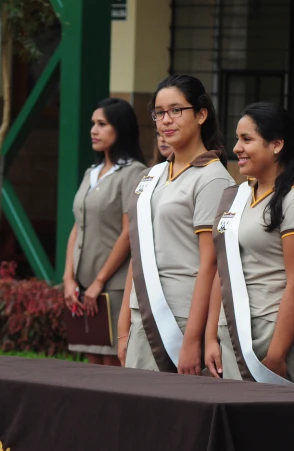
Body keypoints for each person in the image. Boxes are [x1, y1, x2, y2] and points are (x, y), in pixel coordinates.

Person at [117, 75, 234, 374]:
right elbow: (138, 250)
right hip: (140, 312)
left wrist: (193, 340)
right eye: (159, 112)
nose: (166, 120)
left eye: (176, 110)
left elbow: (211, 263)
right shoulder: (152, 176)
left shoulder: (213, 177)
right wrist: (123, 322)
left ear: (201, 114)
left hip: (179, 319)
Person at [203, 102, 294, 386]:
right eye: (237, 138)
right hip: (230, 330)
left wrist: (277, 354)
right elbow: (221, 270)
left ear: (277, 145)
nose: (236, 147)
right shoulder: (237, 195)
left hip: (271, 335)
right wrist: (211, 337)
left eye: (247, 139)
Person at [63, 98, 147, 366]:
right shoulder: (92, 172)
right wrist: (68, 278)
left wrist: (99, 282)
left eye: (101, 124)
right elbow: (78, 224)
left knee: (112, 366)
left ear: (120, 128)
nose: (93, 130)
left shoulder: (133, 172)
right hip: (83, 286)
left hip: (112, 285)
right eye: (92, 124)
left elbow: (128, 232)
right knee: (91, 364)